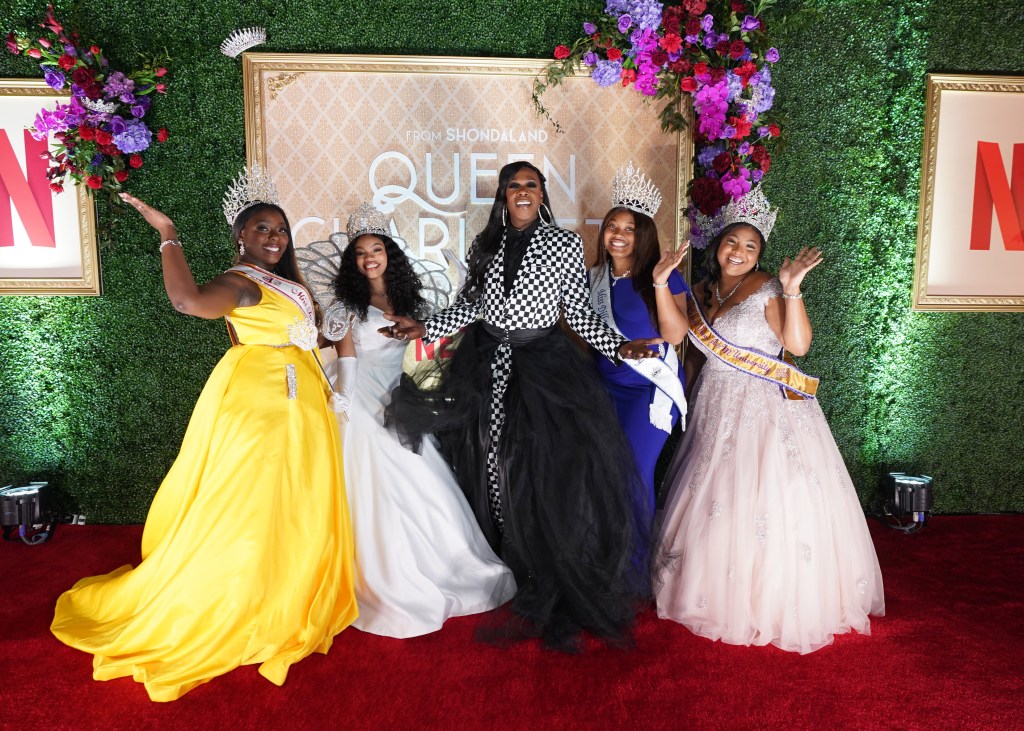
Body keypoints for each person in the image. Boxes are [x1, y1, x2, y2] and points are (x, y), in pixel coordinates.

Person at [50, 168, 358, 701]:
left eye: (280, 229)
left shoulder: (288, 283)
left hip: (299, 401)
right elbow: (188, 302)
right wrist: (168, 233)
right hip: (263, 402)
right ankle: (240, 598)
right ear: (240, 235)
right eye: (261, 228)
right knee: (249, 502)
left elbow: (313, 336)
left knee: (288, 501)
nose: (274, 237)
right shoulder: (240, 280)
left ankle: (280, 587)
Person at [383, 161, 659, 651]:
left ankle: (541, 566)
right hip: (487, 360)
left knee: (540, 465)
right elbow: (473, 305)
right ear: (504, 195)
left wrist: (619, 346)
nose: (524, 192)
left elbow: (575, 312)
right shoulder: (485, 244)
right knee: (488, 459)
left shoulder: (562, 243)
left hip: (543, 363)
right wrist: (426, 328)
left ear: (542, 193)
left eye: (532, 184)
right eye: (515, 185)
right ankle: (500, 559)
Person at [654, 186, 885, 654]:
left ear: (760, 253)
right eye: (731, 242)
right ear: (717, 245)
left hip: (766, 405)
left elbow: (797, 346)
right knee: (716, 494)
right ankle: (712, 588)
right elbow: (675, 334)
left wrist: (794, 289)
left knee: (767, 494)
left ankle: (767, 598)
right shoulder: (697, 291)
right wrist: (661, 283)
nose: (738, 252)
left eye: (750, 246)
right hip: (715, 403)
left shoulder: (771, 287)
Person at [324, 203, 515, 638]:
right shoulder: (345, 306)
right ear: (352, 263)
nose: (370, 257)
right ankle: (380, 575)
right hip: (360, 392)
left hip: (400, 392)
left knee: (421, 473)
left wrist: (420, 340)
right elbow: (346, 361)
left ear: (390, 253)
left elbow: (424, 352)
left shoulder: (407, 300)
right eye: (360, 252)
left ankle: (446, 564)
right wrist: (345, 405)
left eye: (377, 248)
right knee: (378, 471)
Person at [589, 162, 690, 510]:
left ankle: (636, 562)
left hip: (649, 387)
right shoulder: (593, 278)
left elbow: (675, 335)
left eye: (629, 229)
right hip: (604, 389)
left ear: (642, 234)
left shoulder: (660, 276)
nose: (618, 234)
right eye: (612, 226)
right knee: (600, 473)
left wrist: (661, 283)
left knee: (632, 471)